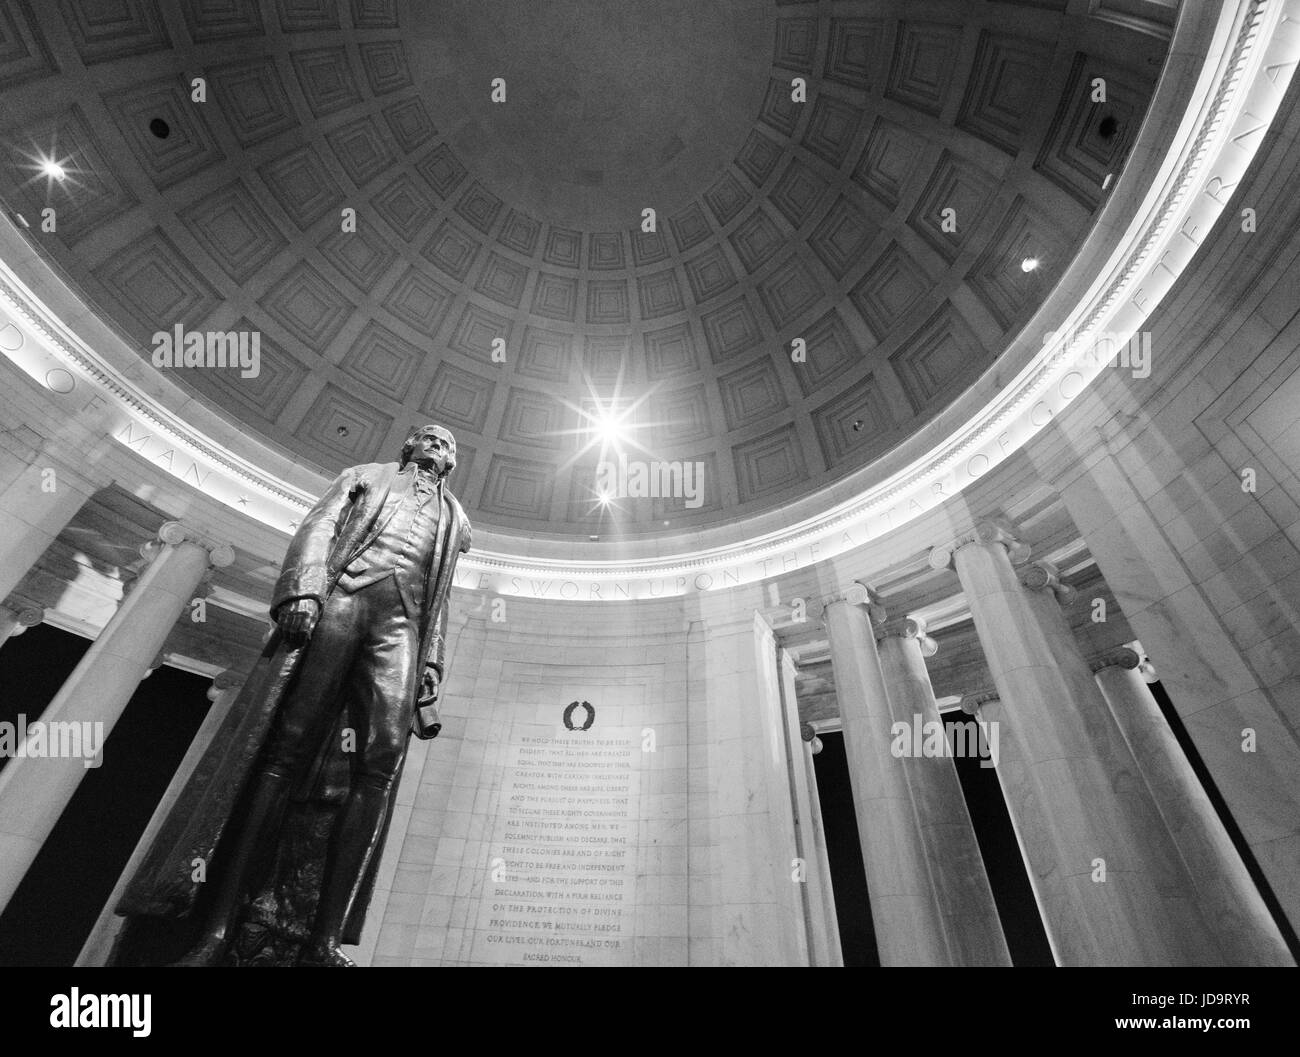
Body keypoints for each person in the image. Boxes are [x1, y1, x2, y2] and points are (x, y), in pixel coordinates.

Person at [112, 424, 471, 967]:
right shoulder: (364, 477)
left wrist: (433, 663)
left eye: (446, 445)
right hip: (345, 596)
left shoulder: (456, 518)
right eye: (427, 438)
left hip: (402, 624)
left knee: (382, 759)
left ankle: (324, 939)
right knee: (286, 748)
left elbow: (438, 595)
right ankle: (217, 929)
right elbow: (319, 526)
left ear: (451, 463)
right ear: (408, 447)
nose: (436, 447)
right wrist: (304, 588)